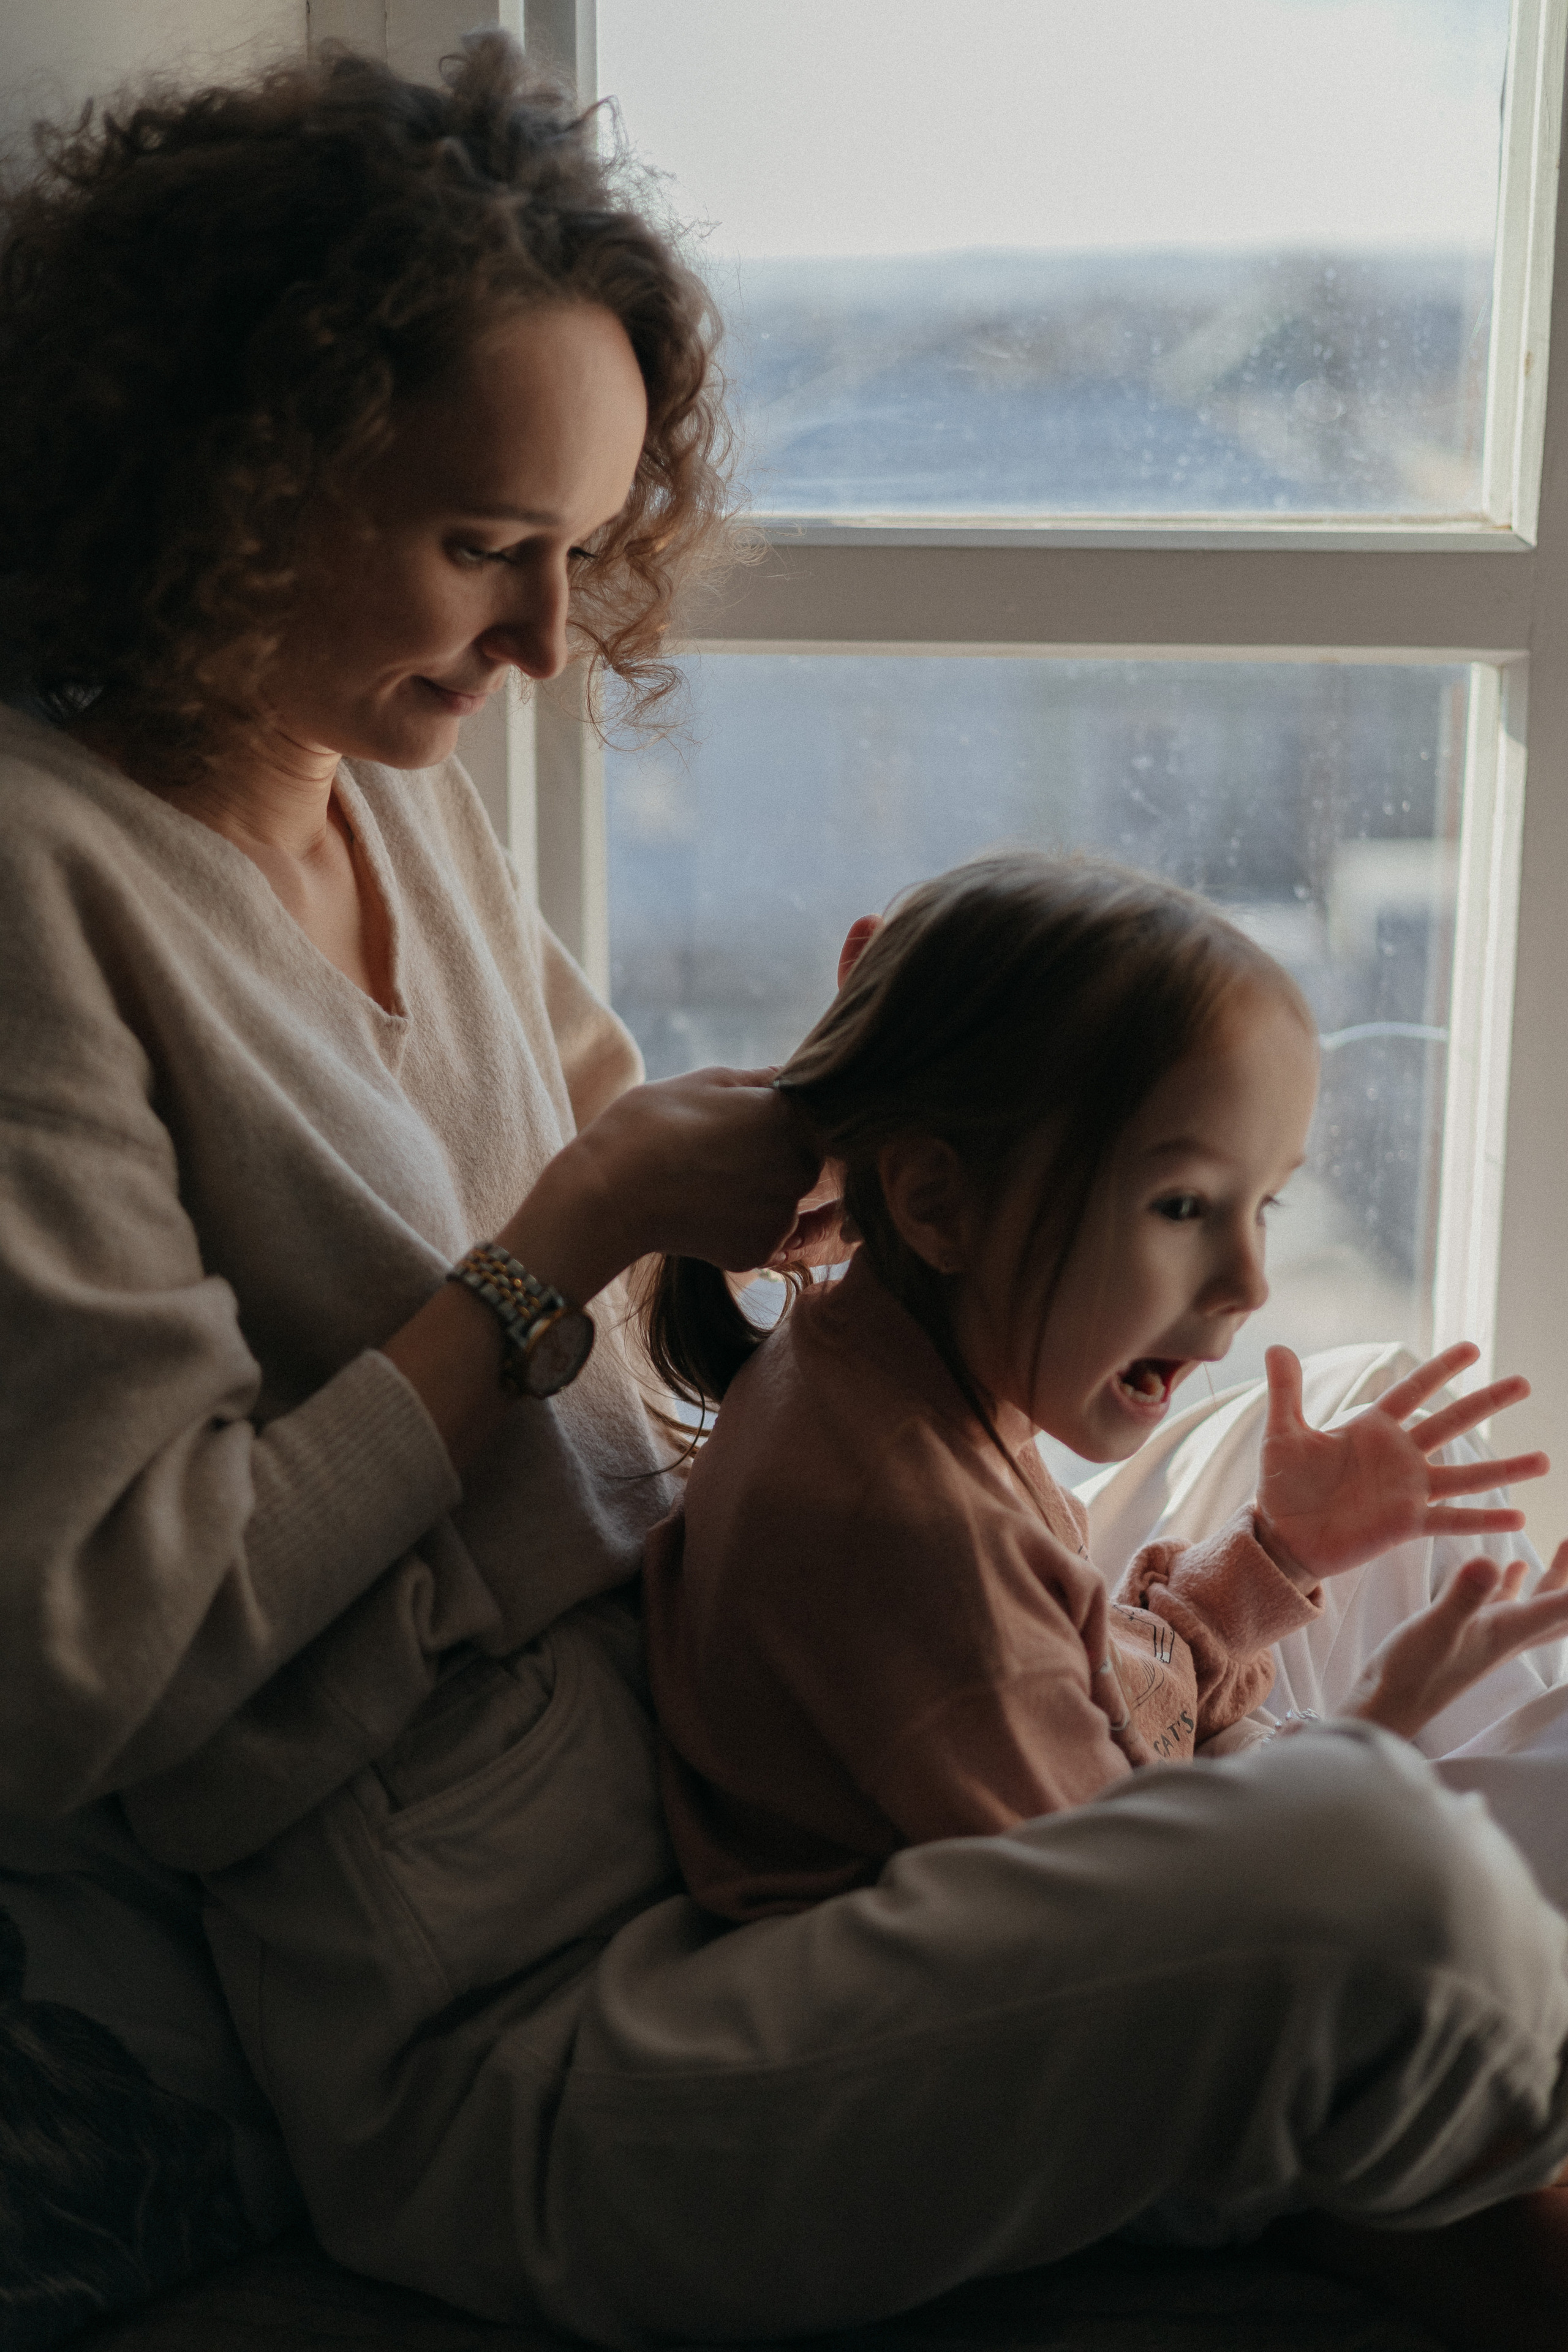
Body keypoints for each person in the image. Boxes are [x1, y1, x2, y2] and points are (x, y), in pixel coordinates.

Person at [3, 32, 1568, 2352]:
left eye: (581, 553)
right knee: (1374, 1883)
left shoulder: (377, 772)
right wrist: (570, 1242)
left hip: (746, 1748)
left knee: (1379, 1496)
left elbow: (673, 1264)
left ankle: (1342, 2099)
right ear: (239, 470)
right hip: (529, 2019)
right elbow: (96, 1660)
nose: (549, 644)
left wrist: (918, 1144)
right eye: (482, 548)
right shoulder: (47, 890)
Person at [639, 856, 1568, 1921]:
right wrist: (1373, 1739)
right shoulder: (916, 1549)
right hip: (1122, 1959)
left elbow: (1104, 1693)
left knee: (1415, 1466)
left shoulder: (901, 1376)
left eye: (1264, 1204)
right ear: (938, 1202)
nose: (1252, 1282)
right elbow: (1136, 1946)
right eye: (1182, 1206)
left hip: (1164, 1830)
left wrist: (1276, 1557)